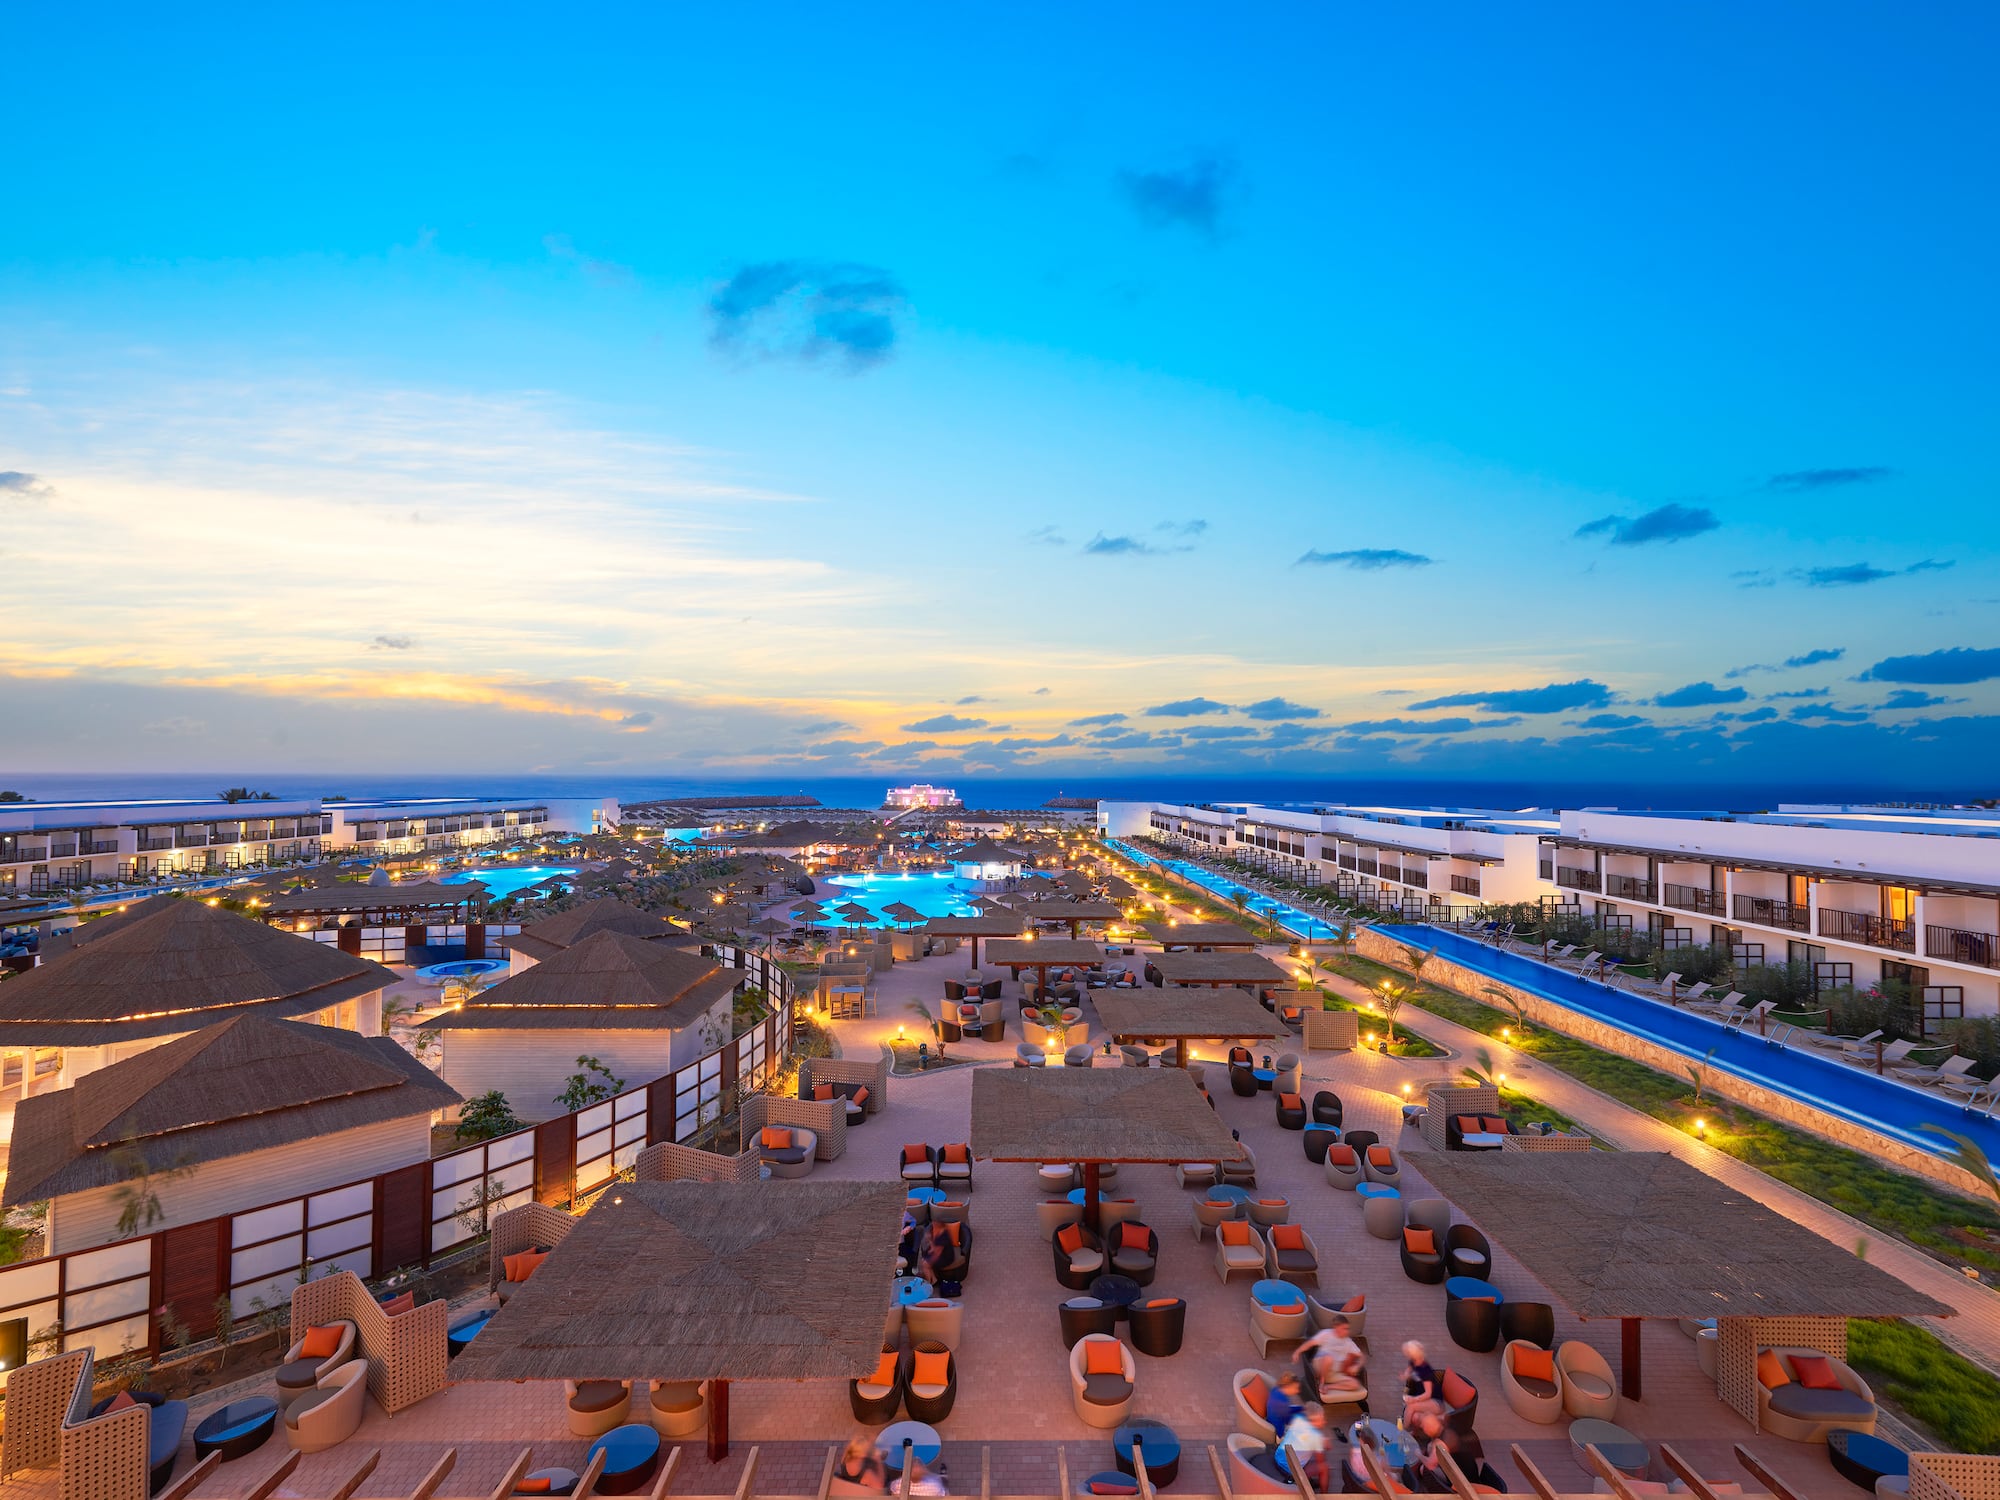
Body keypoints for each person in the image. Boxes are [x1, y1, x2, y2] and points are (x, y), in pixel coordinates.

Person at [1298, 1316, 1365, 1399]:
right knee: (1329, 1358)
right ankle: (1321, 1383)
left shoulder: (1348, 1342)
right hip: (1319, 1367)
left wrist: (1357, 1366)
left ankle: (1328, 1387)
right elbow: (1310, 1343)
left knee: (1355, 1384)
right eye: (1344, 1328)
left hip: (1333, 1374)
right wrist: (1297, 1352)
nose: (1347, 1331)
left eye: (1347, 1329)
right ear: (1336, 1327)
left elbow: (1362, 1356)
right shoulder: (1326, 1334)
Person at [1278, 1402, 1332, 1489]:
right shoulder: (1316, 1437)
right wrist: (1324, 1444)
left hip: (1279, 1458)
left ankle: (1308, 1480)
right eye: (1321, 1418)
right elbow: (1320, 1460)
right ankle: (1324, 1495)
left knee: (1303, 1454)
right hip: (1289, 1470)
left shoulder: (1298, 1420)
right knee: (1324, 1467)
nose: (1324, 1421)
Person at [1400, 1340, 1437, 1420]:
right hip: (1418, 1393)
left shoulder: (1425, 1371)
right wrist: (1405, 1375)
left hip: (1430, 1399)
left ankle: (1403, 1429)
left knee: (1411, 1410)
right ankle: (1410, 1427)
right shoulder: (1413, 1361)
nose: (1408, 1356)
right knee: (1411, 1413)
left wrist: (1414, 1399)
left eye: (1409, 1354)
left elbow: (1428, 1394)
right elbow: (1409, 1369)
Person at [1265, 1370, 1306, 1439]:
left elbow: (1286, 1411)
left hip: (1273, 1419)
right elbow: (1289, 1420)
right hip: (1279, 1431)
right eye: (1295, 1388)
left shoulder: (1277, 1390)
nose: (1297, 1391)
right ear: (1288, 1386)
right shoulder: (1282, 1401)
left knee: (1300, 1412)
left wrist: (1301, 1408)